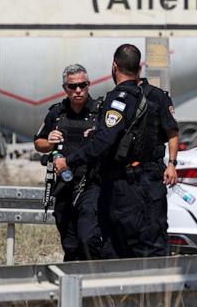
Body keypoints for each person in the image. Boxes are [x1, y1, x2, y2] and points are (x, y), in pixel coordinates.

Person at [54, 44, 180, 258]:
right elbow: (171, 132)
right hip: (148, 184)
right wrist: (171, 163)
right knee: (151, 245)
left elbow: (105, 141)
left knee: (118, 247)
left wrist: (69, 161)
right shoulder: (156, 96)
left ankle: (121, 290)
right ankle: (157, 290)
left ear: (114, 66)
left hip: (125, 186)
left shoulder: (118, 99)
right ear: (140, 67)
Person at [33, 64, 110, 261]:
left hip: (91, 184)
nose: (78, 90)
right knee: (70, 244)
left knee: (88, 238)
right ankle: (70, 286)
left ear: (89, 85)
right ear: (64, 88)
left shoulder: (100, 112)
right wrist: (49, 142)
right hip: (63, 187)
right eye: (72, 86)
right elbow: (38, 143)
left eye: (82, 85)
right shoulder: (57, 113)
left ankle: (93, 280)